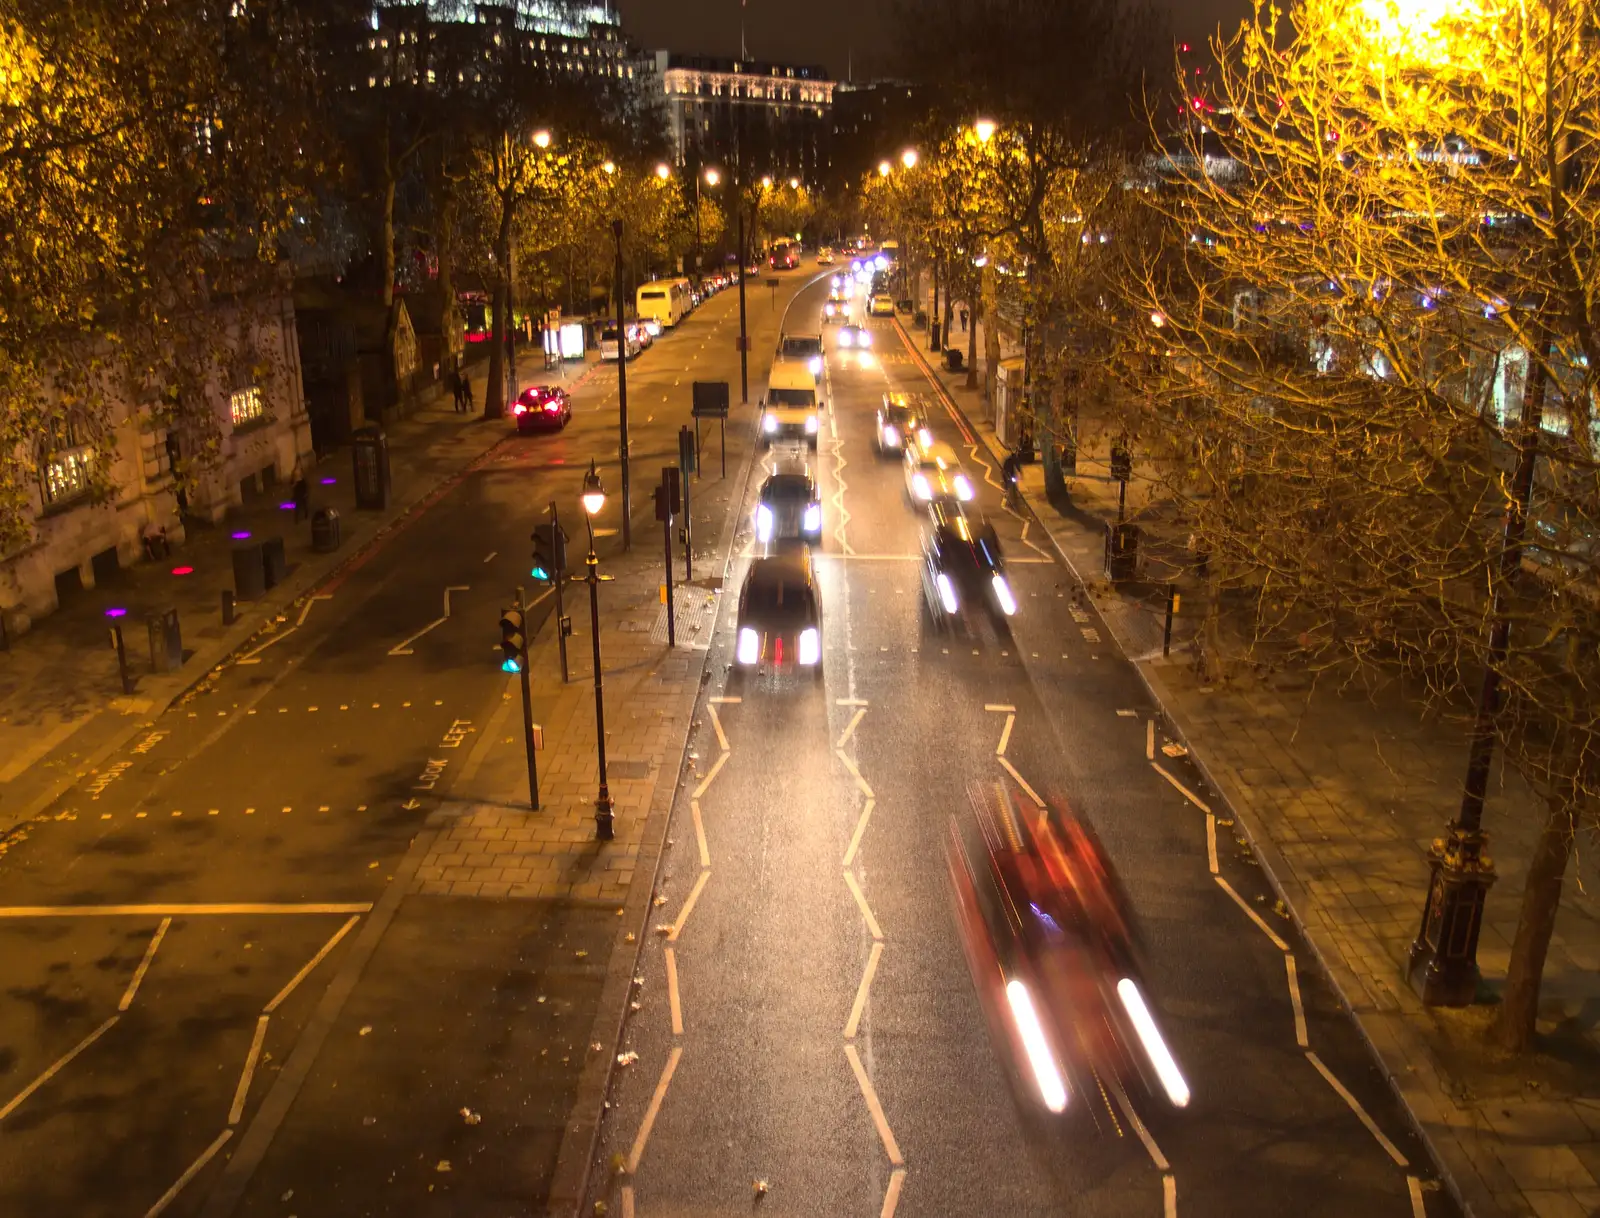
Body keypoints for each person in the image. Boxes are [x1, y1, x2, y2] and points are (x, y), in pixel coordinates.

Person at [291, 459, 309, 523]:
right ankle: (296, 519)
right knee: (298, 505)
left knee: (304, 504)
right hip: (297, 491)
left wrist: (306, 492)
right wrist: (293, 484)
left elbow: (305, 484)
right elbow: (291, 483)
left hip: (301, 490)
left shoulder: (302, 477)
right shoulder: (294, 473)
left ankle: (306, 514)